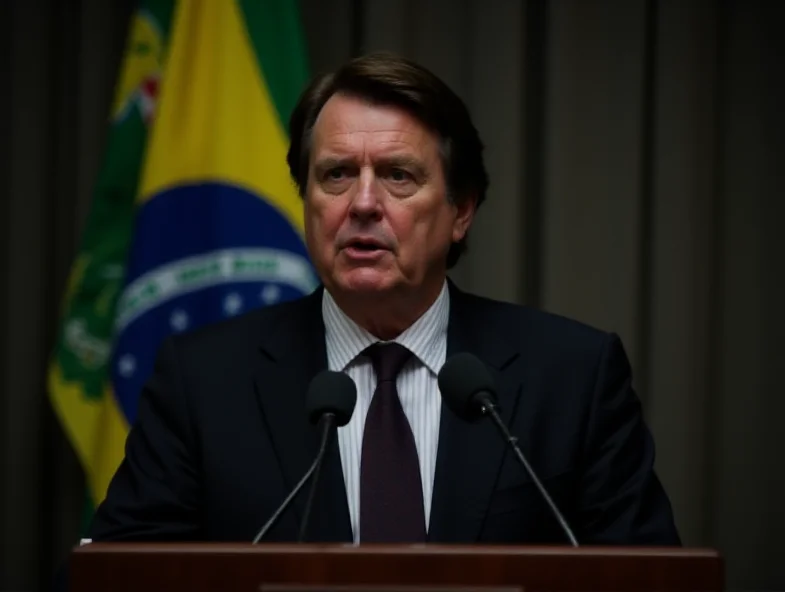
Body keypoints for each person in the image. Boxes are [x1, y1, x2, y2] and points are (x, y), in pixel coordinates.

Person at [87, 52, 680, 545]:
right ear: (308, 201)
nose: (363, 204)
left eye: (398, 175)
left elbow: (647, 578)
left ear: (461, 211)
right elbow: (114, 573)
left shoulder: (572, 376)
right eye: (337, 175)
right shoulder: (202, 380)